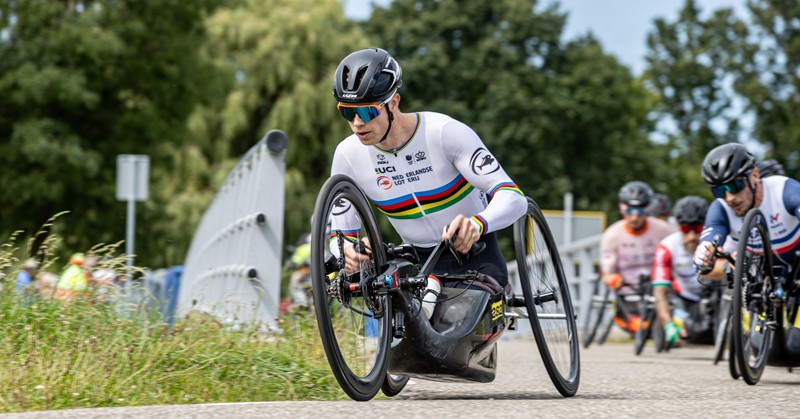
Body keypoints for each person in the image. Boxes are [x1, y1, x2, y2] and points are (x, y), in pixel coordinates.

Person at [329, 48, 527, 290]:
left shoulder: (444, 132)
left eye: (367, 111)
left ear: (394, 103)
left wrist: (478, 224)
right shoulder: (348, 155)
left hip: (474, 251)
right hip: (416, 261)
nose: (357, 123)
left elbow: (515, 198)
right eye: (348, 112)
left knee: (461, 320)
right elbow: (339, 235)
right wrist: (349, 251)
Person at [694, 143, 800, 283]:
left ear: (755, 175)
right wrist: (710, 258)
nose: (729, 198)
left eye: (735, 186)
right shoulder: (721, 209)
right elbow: (702, 265)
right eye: (719, 191)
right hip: (761, 276)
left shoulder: (785, 191)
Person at [600, 181, 677, 332]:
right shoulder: (612, 235)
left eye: (640, 212)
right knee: (640, 327)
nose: (635, 217)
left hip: (659, 287)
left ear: (648, 209)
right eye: (629, 210)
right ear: (622, 209)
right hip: (629, 293)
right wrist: (614, 280)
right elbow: (606, 274)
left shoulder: (664, 229)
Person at [652, 196, 714, 346]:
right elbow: (660, 291)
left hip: (713, 294)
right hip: (684, 298)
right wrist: (668, 325)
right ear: (679, 227)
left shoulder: (716, 242)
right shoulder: (666, 247)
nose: (692, 237)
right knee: (687, 334)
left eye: (698, 229)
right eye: (686, 230)